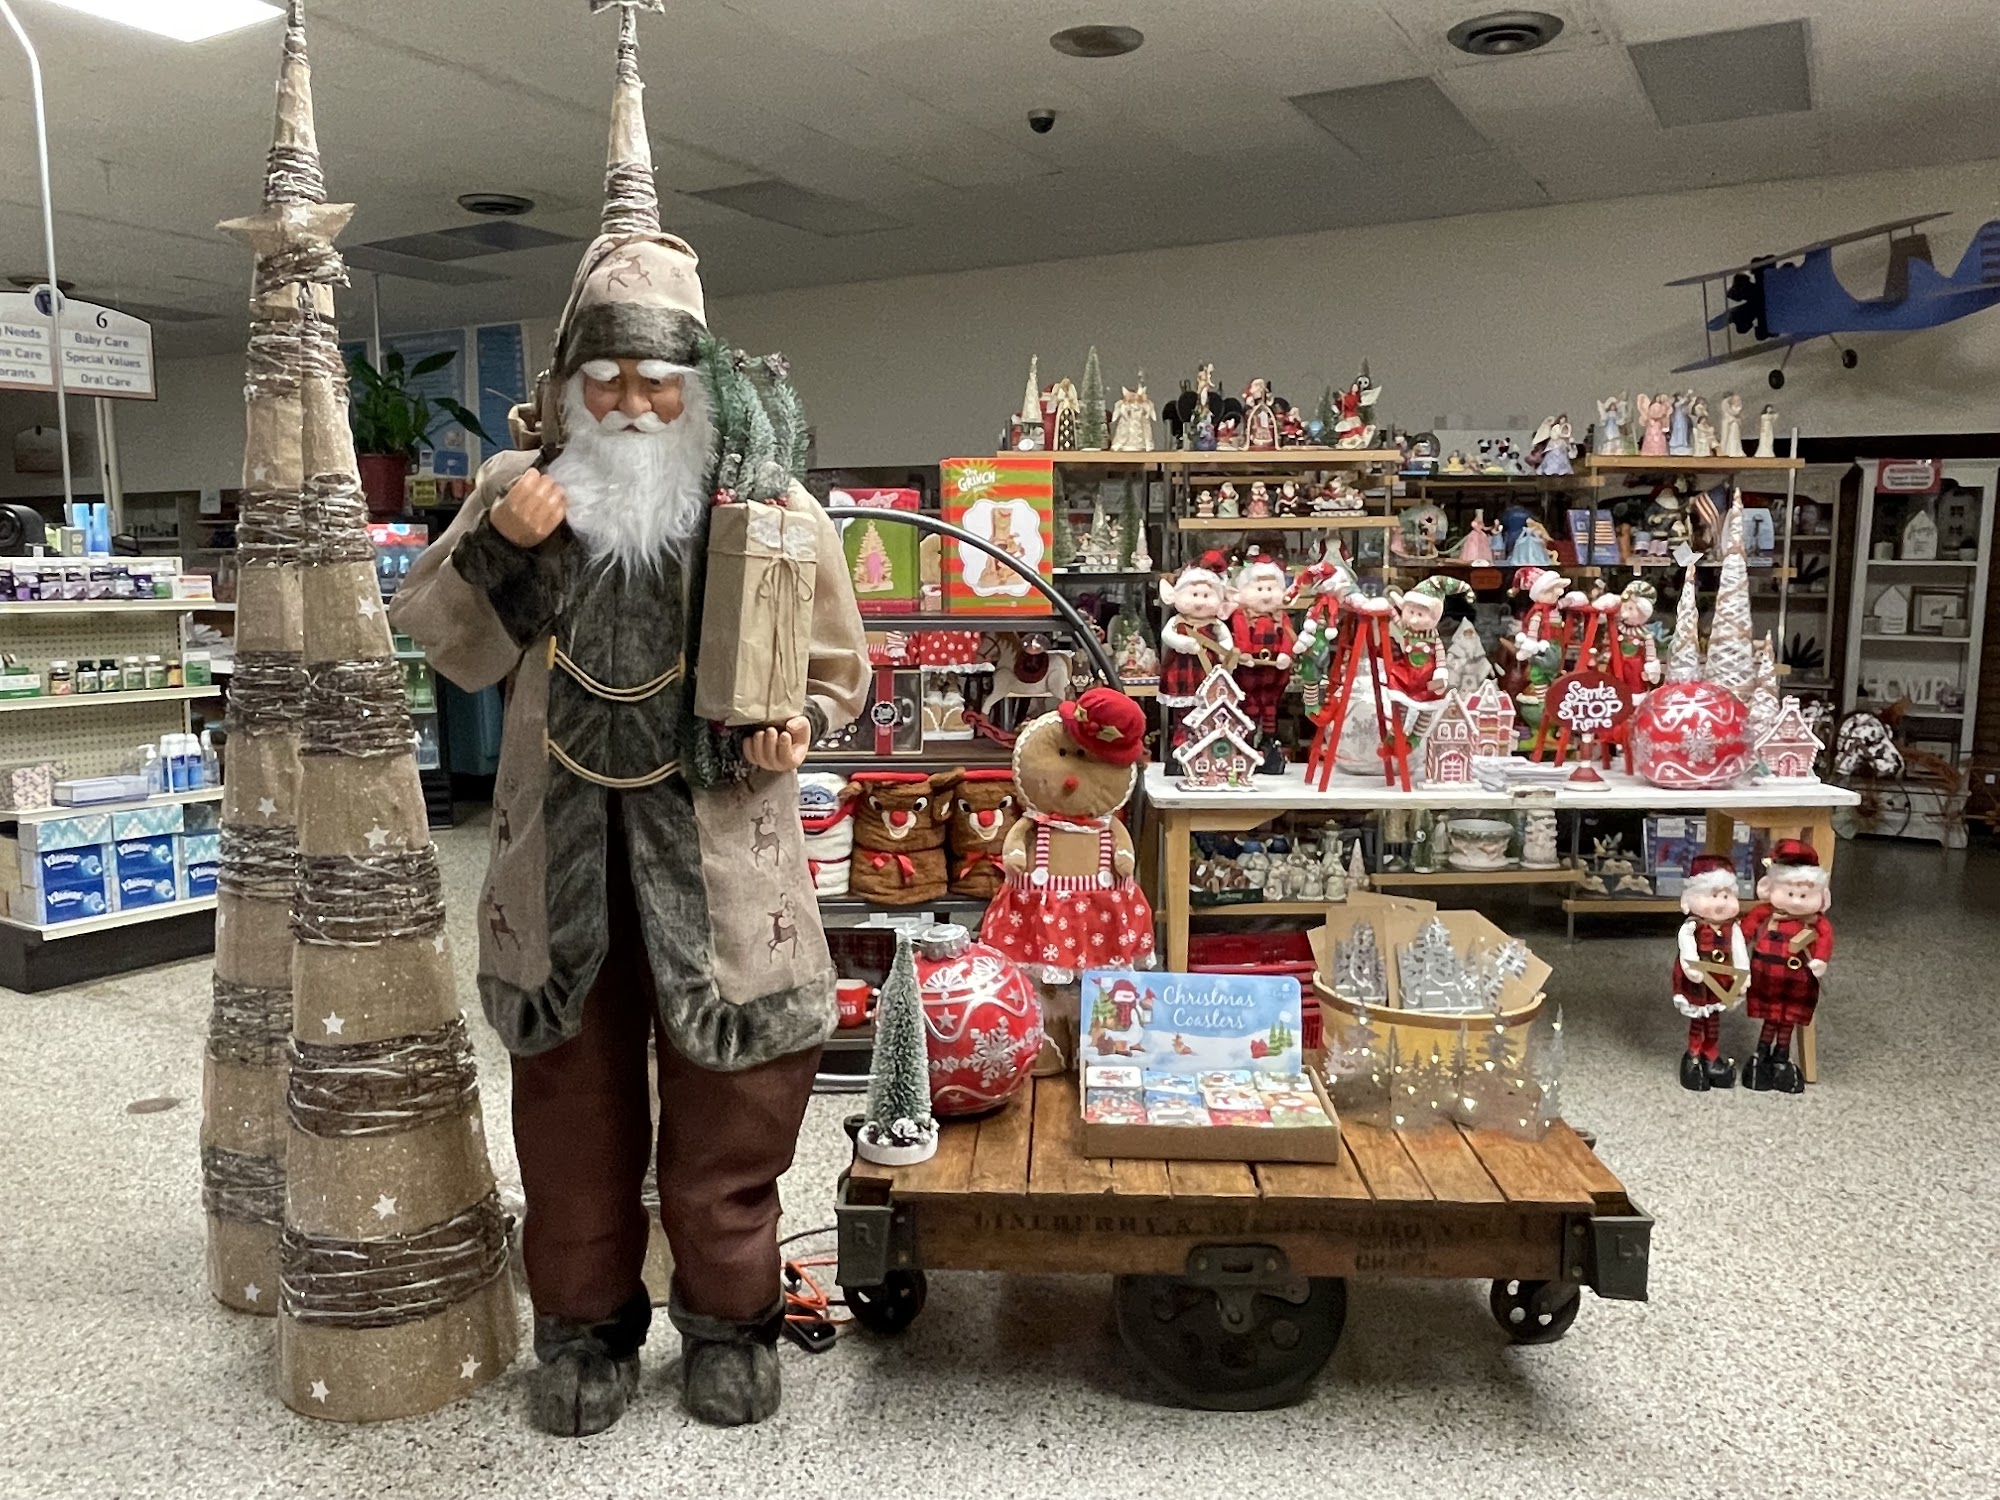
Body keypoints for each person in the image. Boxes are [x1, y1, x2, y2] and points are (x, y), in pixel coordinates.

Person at [390, 9, 867, 1435]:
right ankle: (585, 1329)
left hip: (720, 855)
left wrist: (799, 723)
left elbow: (836, 668)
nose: (635, 403)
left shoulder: (770, 507)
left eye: (661, 380)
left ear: (699, 387)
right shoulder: (512, 494)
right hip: (562, 856)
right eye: (607, 380)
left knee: (734, 1107)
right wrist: (505, 548)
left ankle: (730, 1320)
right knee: (571, 1111)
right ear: (566, 387)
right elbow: (452, 652)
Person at [1740, 840, 1833, 1093]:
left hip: (1798, 979)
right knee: (1771, 1016)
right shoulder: (1765, 913)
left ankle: (1781, 1055)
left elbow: (1826, 938)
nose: (1797, 902)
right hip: (1767, 975)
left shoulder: (1815, 921)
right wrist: (1736, 947)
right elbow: (1745, 930)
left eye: (1804, 896)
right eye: (1790, 894)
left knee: (1788, 1018)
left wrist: (1820, 958)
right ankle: (1761, 1053)